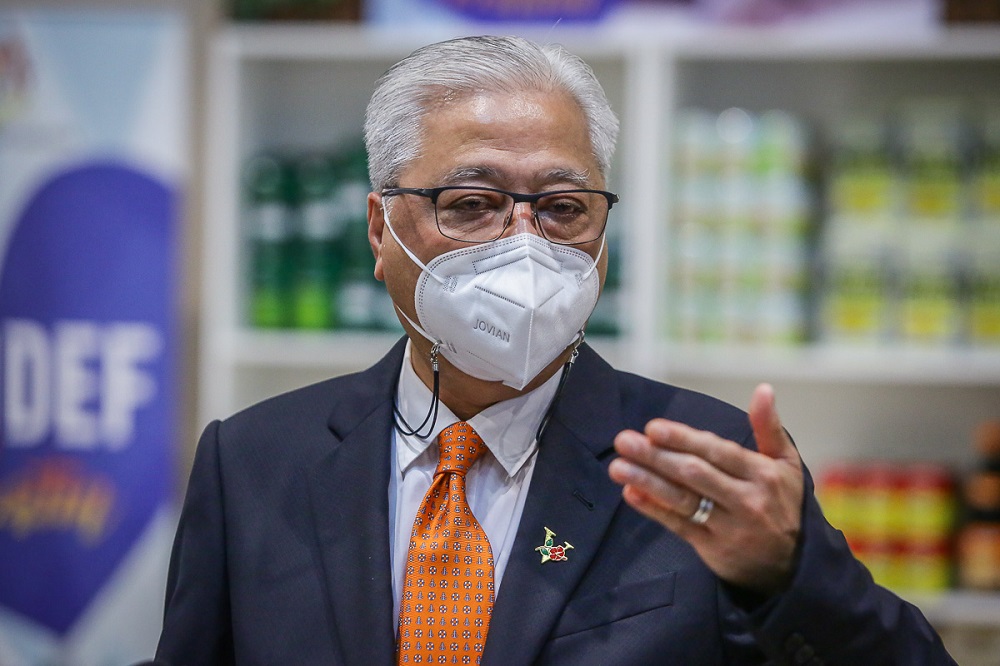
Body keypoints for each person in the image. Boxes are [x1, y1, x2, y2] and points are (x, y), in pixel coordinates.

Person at [155, 35, 955, 665]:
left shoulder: (704, 463)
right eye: (472, 204)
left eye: (564, 207)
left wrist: (789, 577)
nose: (525, 244)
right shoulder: (254, 462)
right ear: (380, 228)